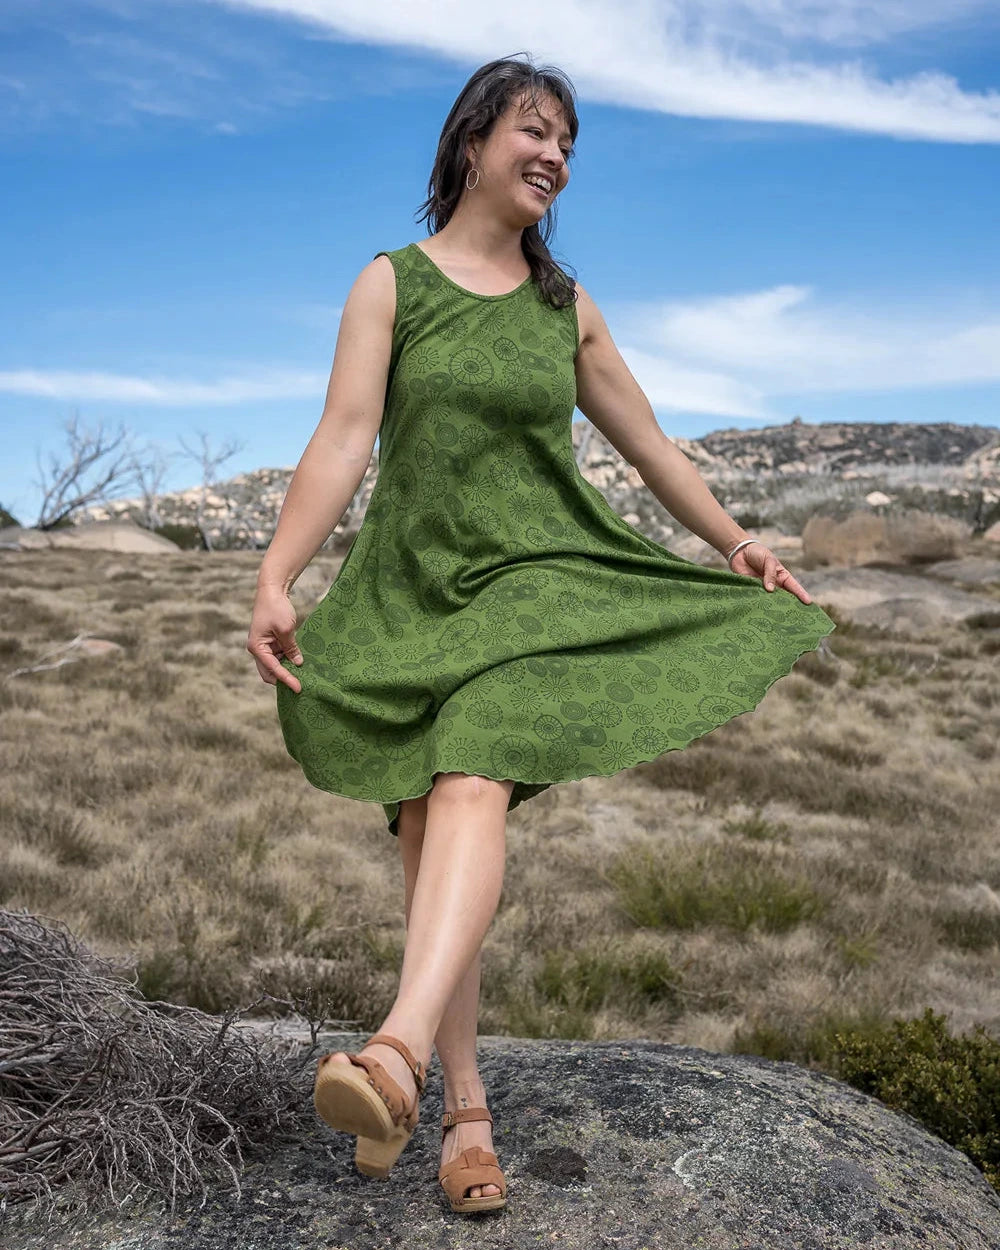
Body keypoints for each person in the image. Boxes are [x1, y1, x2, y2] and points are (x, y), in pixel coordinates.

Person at [247, 54, 834, 1215]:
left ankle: (398, 1053)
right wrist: (275, 572)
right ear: (472, 142)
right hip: (411, 595)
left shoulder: (566, 306)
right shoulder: (391, 284)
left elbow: (653, 446)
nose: (555, 154)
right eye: (534, 129)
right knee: (426, 829)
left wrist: (733, 543)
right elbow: (341, 437)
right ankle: (455, 1106)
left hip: (538, 585)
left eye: (566, 140)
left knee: (471, 775)